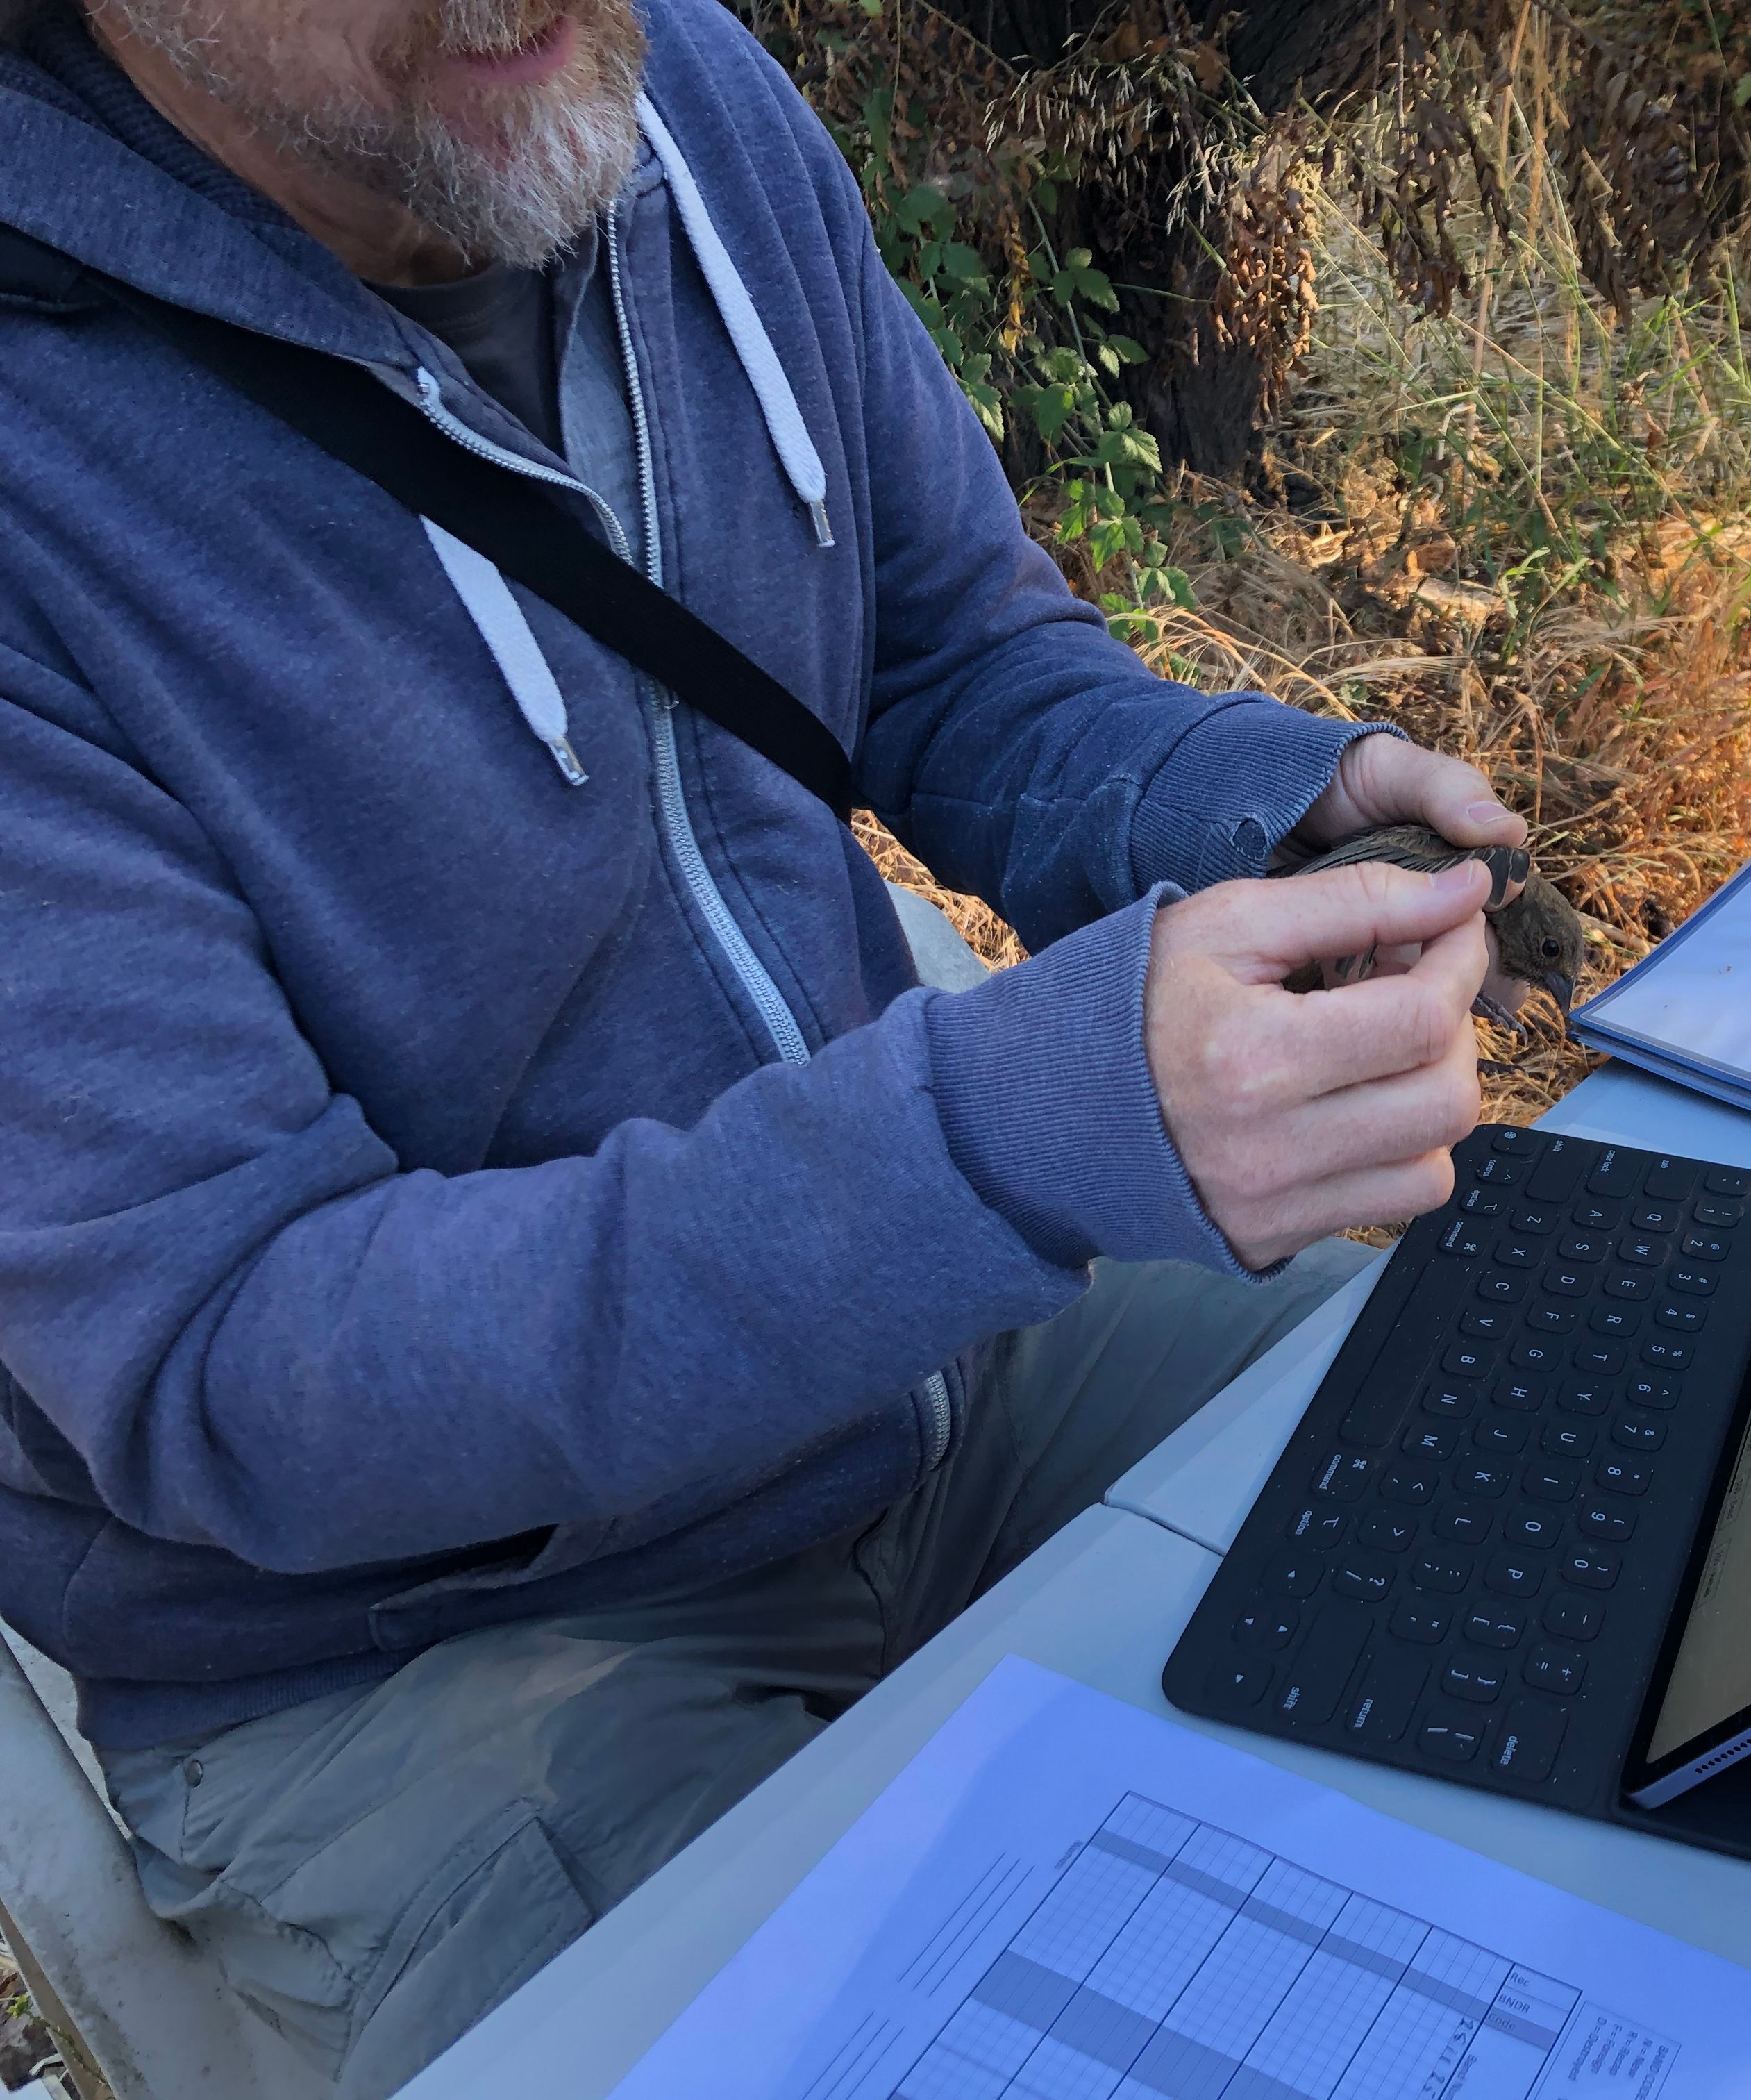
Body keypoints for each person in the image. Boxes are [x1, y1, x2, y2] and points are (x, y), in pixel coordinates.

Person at [0, 0, 1519, 2086]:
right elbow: (234, 1371)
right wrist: (1002, 1140)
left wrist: (1261, 803)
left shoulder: (676, 96)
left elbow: (953, 652)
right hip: (422, 1642)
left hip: (943, 1375)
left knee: (1577, 1516)